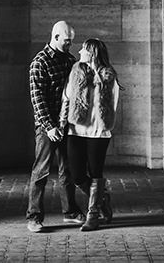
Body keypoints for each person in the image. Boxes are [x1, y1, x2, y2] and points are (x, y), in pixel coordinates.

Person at [26, 20, 83, 233]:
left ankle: (70, 212)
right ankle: (34, 217)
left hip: (66, 124)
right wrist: (50, 127)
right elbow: (38, 100)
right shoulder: (39, 63)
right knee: (41, 171)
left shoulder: (69, 60)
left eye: (71, 41)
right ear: (56, 37)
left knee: (67, 170)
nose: (70, 45)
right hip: (46, 127)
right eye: (67, 41)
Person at [59, 38, 120, 232]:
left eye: (84, 50)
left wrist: (104, 125)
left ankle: (93, 215)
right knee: (77, 175)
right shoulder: (76, 71)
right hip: (76, 130)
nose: (79, 52)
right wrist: (62, 122)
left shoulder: (109, 76)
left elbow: (113, 104)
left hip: (98, 133)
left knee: (95, 173)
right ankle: (102, 197)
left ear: (92, 53)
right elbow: (66, 97)